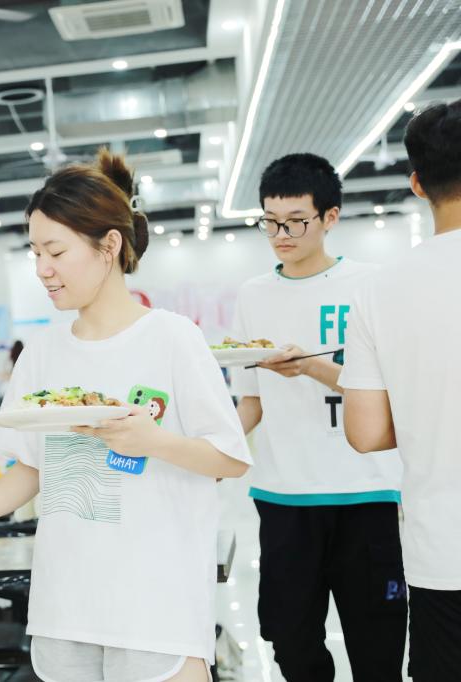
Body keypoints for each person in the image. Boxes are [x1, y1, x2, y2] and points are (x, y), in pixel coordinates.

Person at [0, 149, 251, 682]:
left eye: (56, 251)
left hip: (156, 604)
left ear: (110, 246)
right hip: (67, 604)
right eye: (35, 252)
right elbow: (33, 468)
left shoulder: (173, 338)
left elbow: (230, 458)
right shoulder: (41, 352)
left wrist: (151, 441)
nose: (43, 269)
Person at [230, 153, 405, 682]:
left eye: (295, 222)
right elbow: (251, 403)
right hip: (284, 497)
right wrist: (206, 452)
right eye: (270, 222)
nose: (280, 235)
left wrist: (312, 367)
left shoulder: (371, 285)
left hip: (367, 494)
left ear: (330, 217)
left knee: (378, 649)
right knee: (292, 645)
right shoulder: (252, 295)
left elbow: (394, 392)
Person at [342, 100, 461, 682]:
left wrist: (424, 415)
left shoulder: (377, 291)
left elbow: (364, 433)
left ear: (417, 183)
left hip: (443, 550)